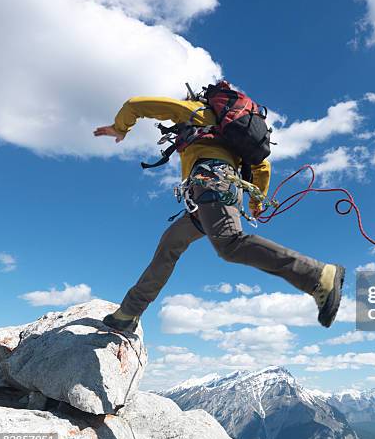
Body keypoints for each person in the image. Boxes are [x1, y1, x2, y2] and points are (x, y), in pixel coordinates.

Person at [93, 91, 345, 333]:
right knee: (171, 243)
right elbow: (263, 166)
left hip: (210, 182)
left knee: (230, 243)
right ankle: (128, 313)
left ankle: (317, 275)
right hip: (214, 192)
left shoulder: (194, 111)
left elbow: (135, 103)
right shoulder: (235, 135)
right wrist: (257, 202)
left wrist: (120, 128)